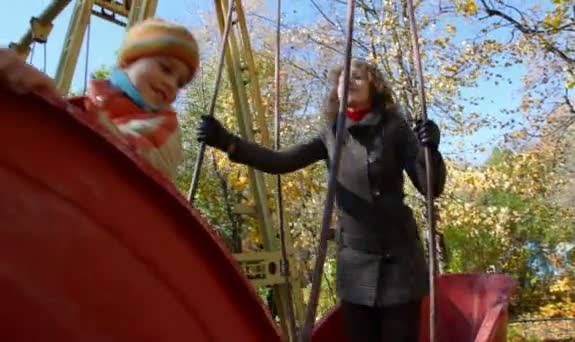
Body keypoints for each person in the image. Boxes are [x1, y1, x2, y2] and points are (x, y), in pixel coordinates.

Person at [197, 59, 447, 341]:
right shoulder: (331, 135)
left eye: (358, 77)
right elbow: (281, 161)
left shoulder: (394, 128)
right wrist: (228, 142)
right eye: (343, 79)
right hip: (356, 264)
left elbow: (430, 187)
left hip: (400, 261)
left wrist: (430, 150)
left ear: (374, 87)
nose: (349, 82)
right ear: (336, 91)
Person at [0, 17, 200, 180]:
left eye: (180, 83)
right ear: (129, 61)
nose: (171, 84)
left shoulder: (164, 126)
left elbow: (142, 167)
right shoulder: (98, 103)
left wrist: (49, 97)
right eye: (165, 69)